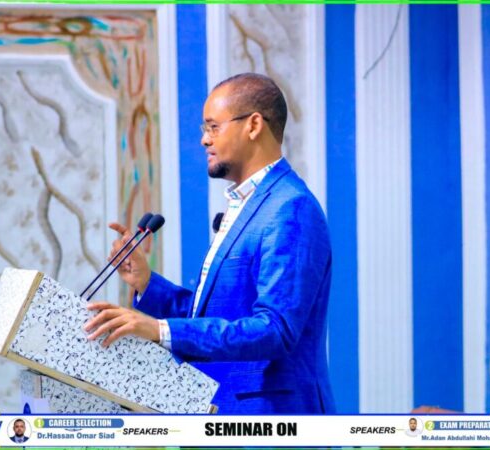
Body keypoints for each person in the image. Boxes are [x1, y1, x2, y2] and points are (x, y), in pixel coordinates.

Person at [84, 73, 334, 414]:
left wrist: (159, 330)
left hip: (271, 420)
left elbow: (275, 330)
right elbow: (215, 316)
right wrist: (147, 283)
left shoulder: (290, 207)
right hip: (222, 413)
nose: (204, 139)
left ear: (253, 125)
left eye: (214, 127)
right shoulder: (250, 203)